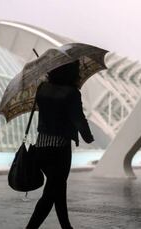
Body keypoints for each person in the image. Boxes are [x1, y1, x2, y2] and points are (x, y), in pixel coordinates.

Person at [26, 60, 94, 229]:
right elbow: (78, 119)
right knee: (50, 194)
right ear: (71, 72)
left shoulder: (42, 89)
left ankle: (66, 226)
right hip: (59, 149)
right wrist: (88, 137)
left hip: (41, 146)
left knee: (58, 188)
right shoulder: (71, 93)